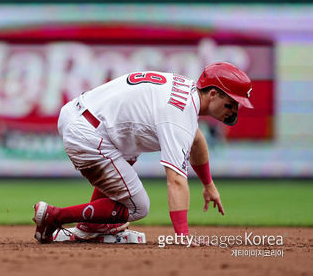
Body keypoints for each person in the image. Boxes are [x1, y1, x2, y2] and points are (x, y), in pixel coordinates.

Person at [33, 62, 253, 243]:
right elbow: (175, 180)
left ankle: (92, 227)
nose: (234, 111)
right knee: (139, 206)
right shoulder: (179, 115)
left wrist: (208, 185)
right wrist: (183, 236)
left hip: (86, 118)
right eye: (231, 104)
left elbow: (196, 139)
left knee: (130, 150)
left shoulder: (187, 92)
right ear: (213, 94)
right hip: (88, 133)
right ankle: (53, 216)